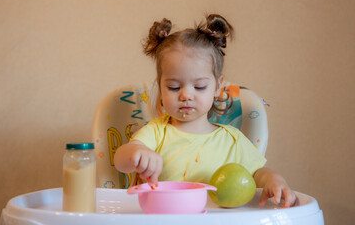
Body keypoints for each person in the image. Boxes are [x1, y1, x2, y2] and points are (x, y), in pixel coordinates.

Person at [114, 14, 298, 208]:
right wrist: (137, 152)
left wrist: (274, 180)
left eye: (199, 87)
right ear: (160, 87)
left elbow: (258, 172)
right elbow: (120, 161)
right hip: (162, 218)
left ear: (217, 86)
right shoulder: (156, 132)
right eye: (174, 87)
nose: (186, 95)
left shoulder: (232, 140)